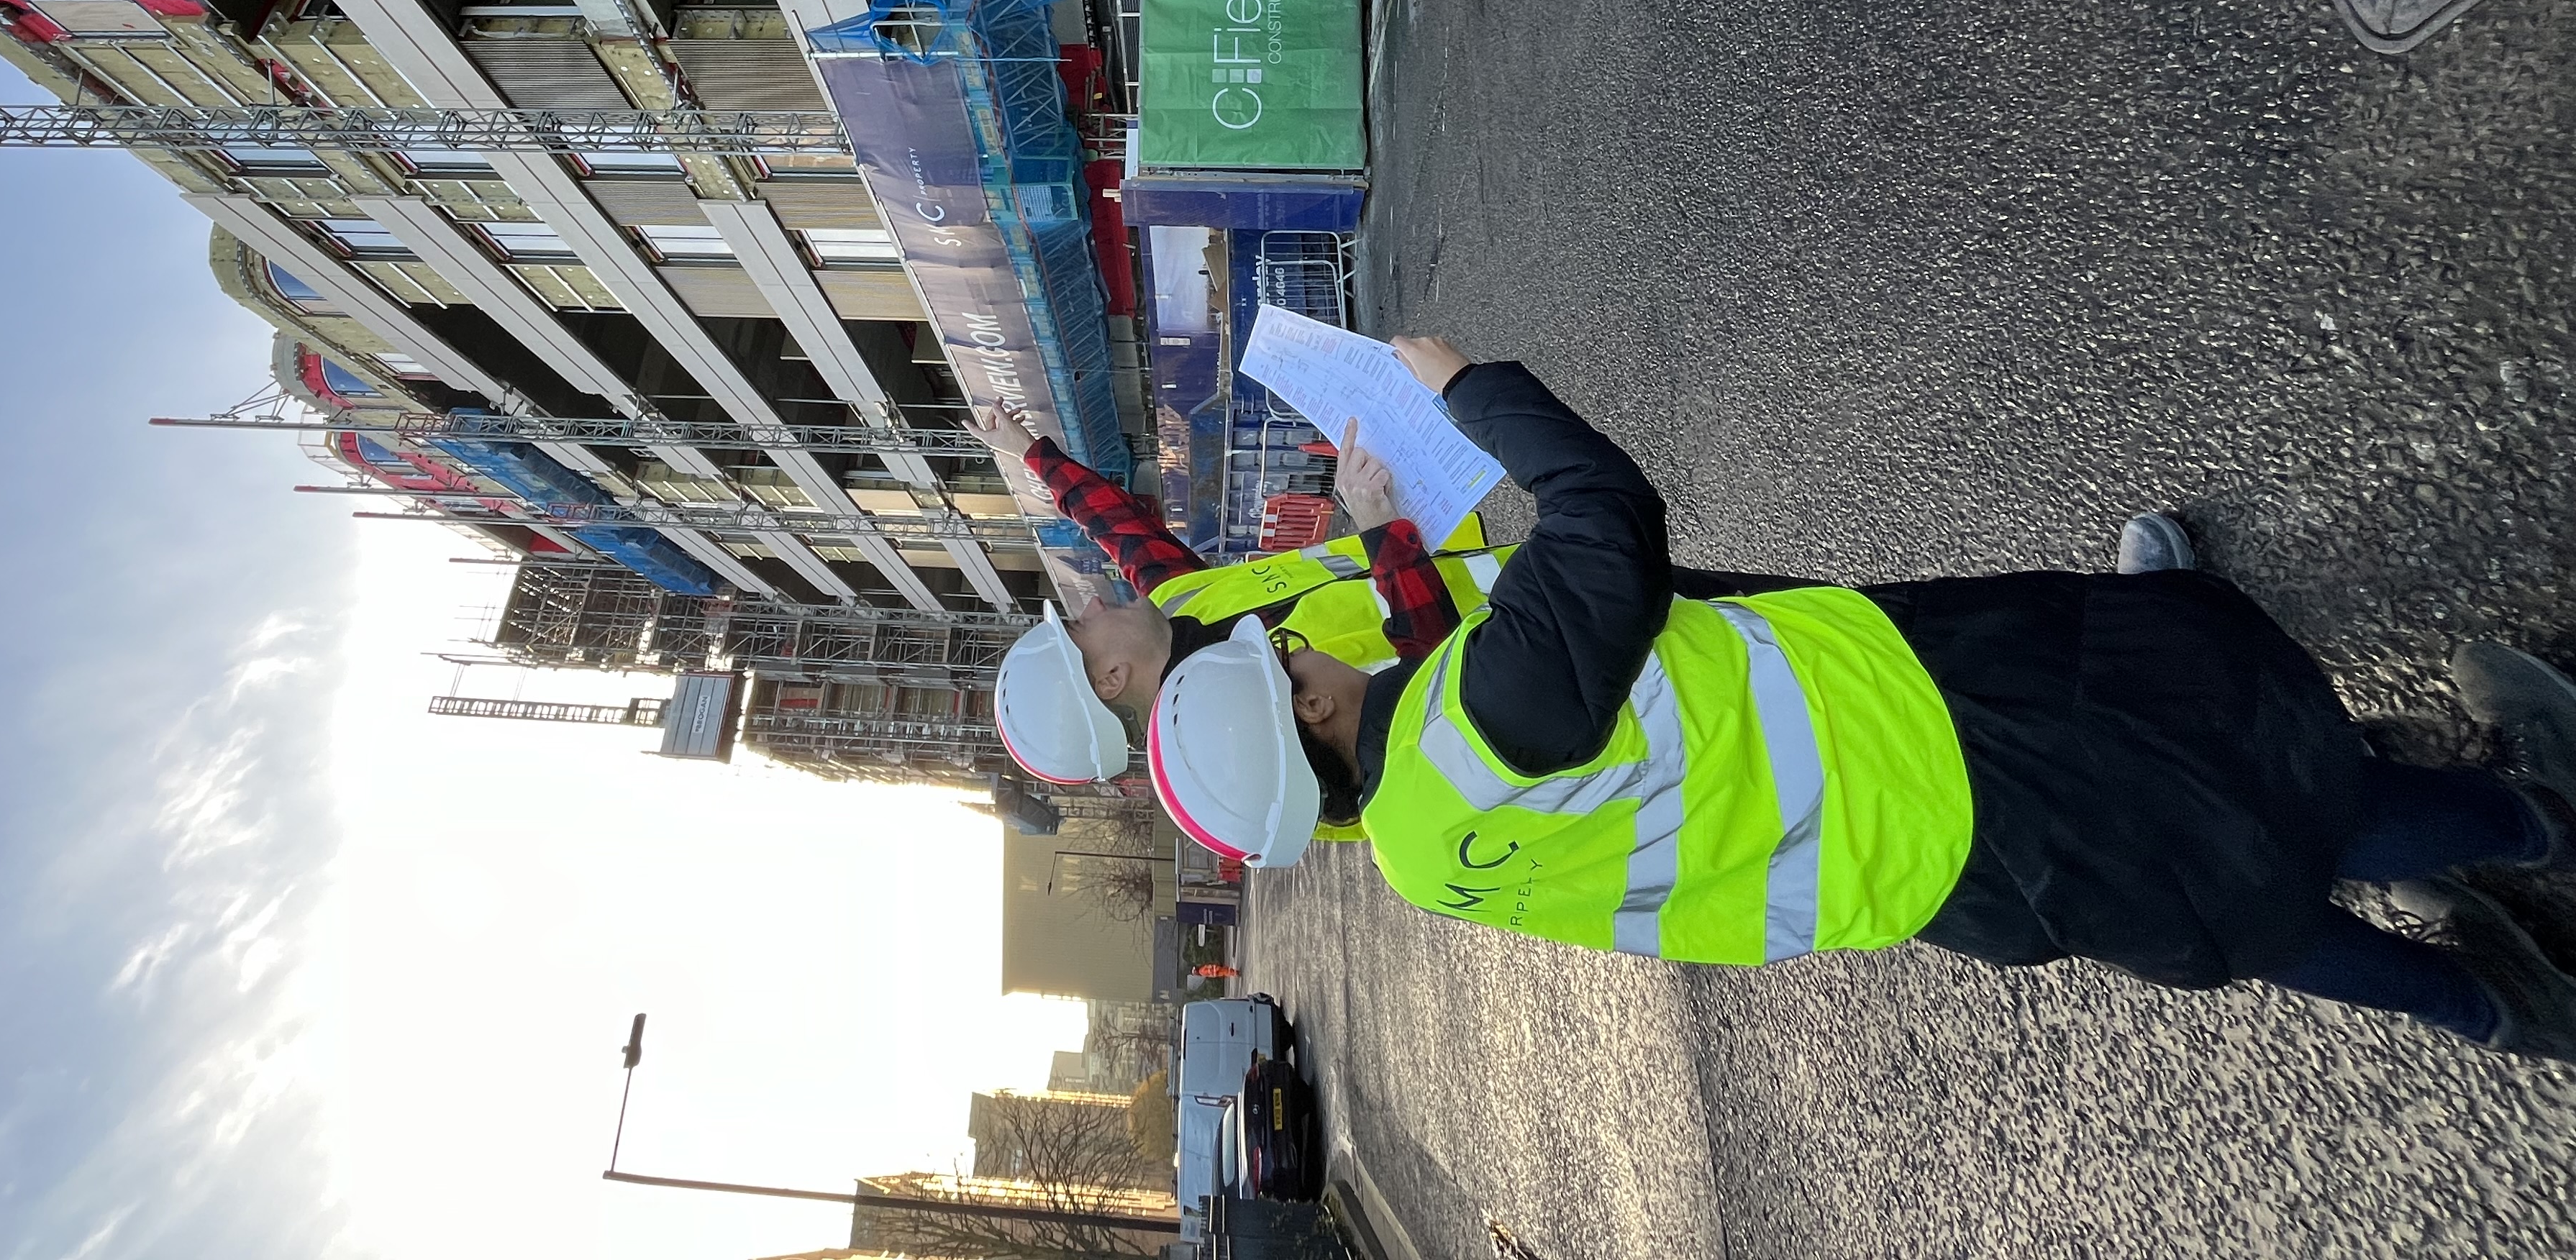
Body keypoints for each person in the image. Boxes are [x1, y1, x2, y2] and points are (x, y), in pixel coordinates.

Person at [1147, 339, 2576, 1061]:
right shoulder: (1479, 706)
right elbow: (1603, 508)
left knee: (2227, 902)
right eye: (1284, 661)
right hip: (1949, 734)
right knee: (2259, 789)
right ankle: (2525, 808)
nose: (1297, 643)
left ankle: (2493, 1010)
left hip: (1915, 877)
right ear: (1307, 717)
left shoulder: (1415, 850)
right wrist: (1468, 382)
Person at [975, 400, 1500, 787]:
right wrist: (1383, 535)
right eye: (1079, 626)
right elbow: (1437, 738)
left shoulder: (1180, 605)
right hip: (1511, 671)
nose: (1091, 604)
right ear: (1111, 679)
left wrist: (1029, 452)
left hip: (1503, 587)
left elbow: (1118, 527)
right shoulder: (1260, 752)